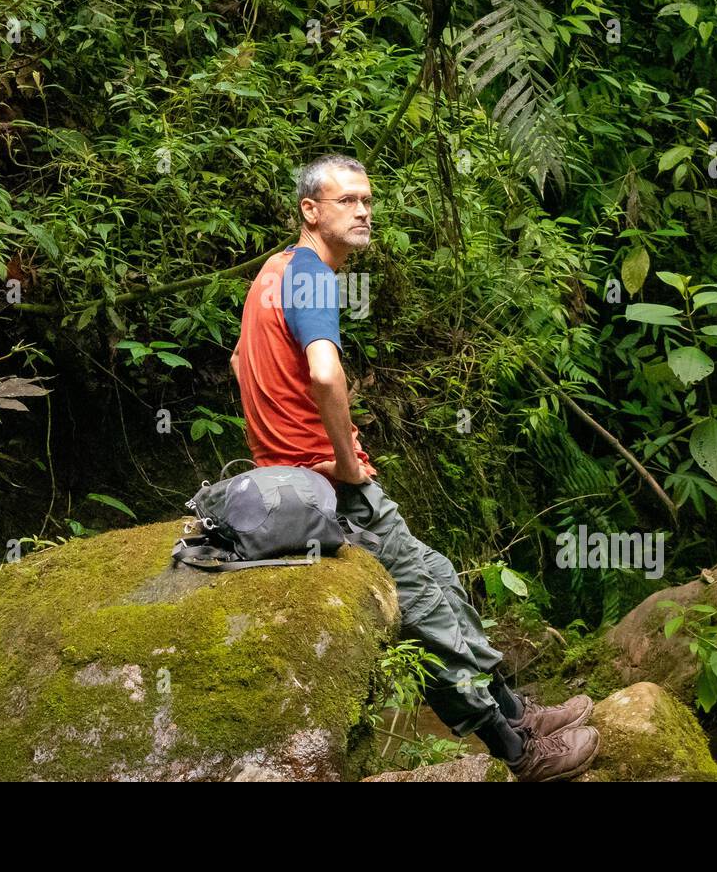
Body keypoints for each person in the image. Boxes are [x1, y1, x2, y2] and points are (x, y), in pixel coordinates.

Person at [230, 152, 601, 781]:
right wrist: (345, 463)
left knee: (436, 571)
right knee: (423, 610)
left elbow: (241, 364)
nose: (364, 211)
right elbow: (324, 371)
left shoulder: (273, 272)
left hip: (292, 480)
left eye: (368, 200)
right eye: (347, 201)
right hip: (330, 487)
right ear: (309, 210)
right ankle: (519, 755)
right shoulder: (312, 278)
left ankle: (517, 713)